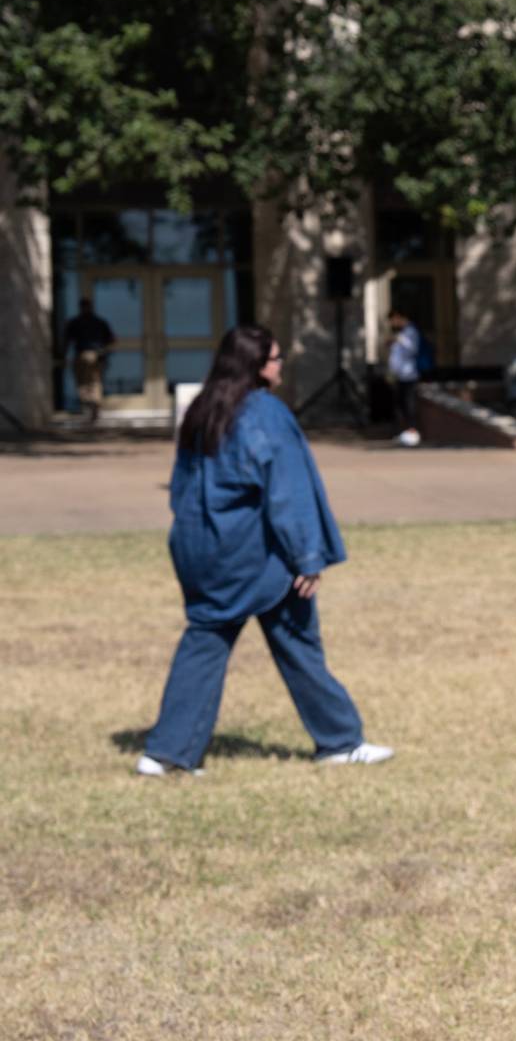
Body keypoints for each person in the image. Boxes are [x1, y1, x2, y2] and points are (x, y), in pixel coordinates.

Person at [140, 325, 392, 776]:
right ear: (256, 366)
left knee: (207, 640)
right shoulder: (265, 414)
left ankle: (166, 753)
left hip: (202, 549)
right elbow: (287, 492)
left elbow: (182, 489)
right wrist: (307, 558)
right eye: (276, 359)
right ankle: (339, 741)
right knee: (298, 642)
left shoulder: (203, 409)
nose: (281, 366)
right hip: (255, 556)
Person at [62, 298, 115, 424]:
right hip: (96, 355)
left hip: (84, 354)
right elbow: (111, 339)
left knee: (84, 383)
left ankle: (89, 407)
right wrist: (103, 351)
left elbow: (67, 341)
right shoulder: (99, 322)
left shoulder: (76, 322)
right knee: (94, 382)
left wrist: (63, 355)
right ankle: (93, 407)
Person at [386, 309, 424, 447]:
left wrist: (399, 340)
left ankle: (412, 432)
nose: (392, 323)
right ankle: (401, 432)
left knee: (409, 404)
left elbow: (412, 349)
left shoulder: (410, 332)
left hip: (409, 374)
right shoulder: (399, 333)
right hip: (398, 375)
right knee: (399, 405)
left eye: (394, 319)